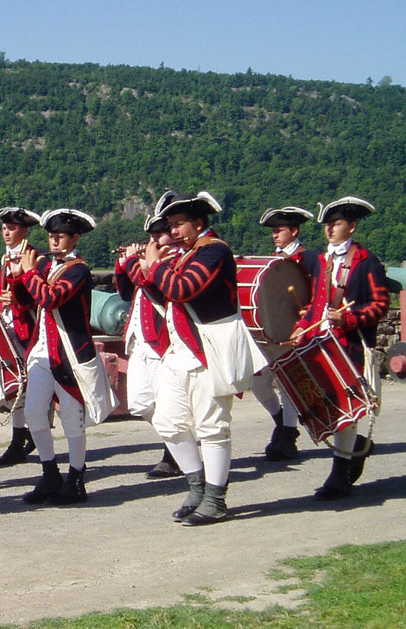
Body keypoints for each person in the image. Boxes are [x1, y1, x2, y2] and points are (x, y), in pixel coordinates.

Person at [140, 191, 266, 526]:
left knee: (212, 427)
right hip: (178, 353)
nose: (174, 231)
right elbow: (160, 294)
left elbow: (183, 289)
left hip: (209, 351)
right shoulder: (184, 254)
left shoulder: (215, 251)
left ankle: (215, 498)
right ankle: (196, 486)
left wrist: (154, 266)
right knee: (167, 421)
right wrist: (145, 270)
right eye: (171, 225)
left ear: (199, 223)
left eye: (179, 224)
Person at [291, 196, 390, 500]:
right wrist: (301, 326)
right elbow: (317, 304)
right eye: (327, 225)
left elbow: (380, 305)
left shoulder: (366, 262)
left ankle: (339, 475)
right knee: (325, 408)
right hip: (324, 345)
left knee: (346, 410)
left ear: (352, 227)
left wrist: (348, 317)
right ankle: (353, 454)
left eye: (336, 224)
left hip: (352, 347)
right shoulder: (323, 262)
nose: (330, 230)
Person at [8, 208, 105, 505]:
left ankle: (76, 478)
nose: (54, 241)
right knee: (35, 412)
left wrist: (29, 273)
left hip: (69, 354)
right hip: (43, 350)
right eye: (51, 236)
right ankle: (49, 473)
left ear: (74, 239)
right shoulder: (48, 267)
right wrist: (17, 280)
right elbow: (30, 301)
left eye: (60, 236)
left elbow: (52, 298)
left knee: (71, 418)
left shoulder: (78, 269)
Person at [113, 193, 182, 478]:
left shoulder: (176, 259)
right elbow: (127, 292)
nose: (155, 239)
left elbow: (152, 284)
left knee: (163, 401)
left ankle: (175, 452)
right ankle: (179, 443)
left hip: (161, 340)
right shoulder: (153, 259)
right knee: (141, 403)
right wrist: (123, 263)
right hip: (139, 339)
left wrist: (135, 263)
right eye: (152, 234)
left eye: (161, 233)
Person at [254, 206, 317, 461]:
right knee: (258, 383)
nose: (275, 235)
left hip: (293, 333)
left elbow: (318, 294)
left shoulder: (309, 259)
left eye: (279, 230)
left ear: (294, 230)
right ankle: (280, 422)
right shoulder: (275, 261)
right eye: (273, 231)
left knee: (288, 386)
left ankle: (288, 435)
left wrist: (308, 313)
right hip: (269, 332)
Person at [0, 206, 41, 465]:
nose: (6, 232)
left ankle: (27, 436)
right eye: (4, 228)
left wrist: (18, 300)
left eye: (11, 228)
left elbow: (40, 296)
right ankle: (20, 437)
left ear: (24, 230)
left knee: (27, 385)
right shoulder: (0, 260)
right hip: (5, 326)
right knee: (16, 386)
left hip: (27, 328)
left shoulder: (35, 258)